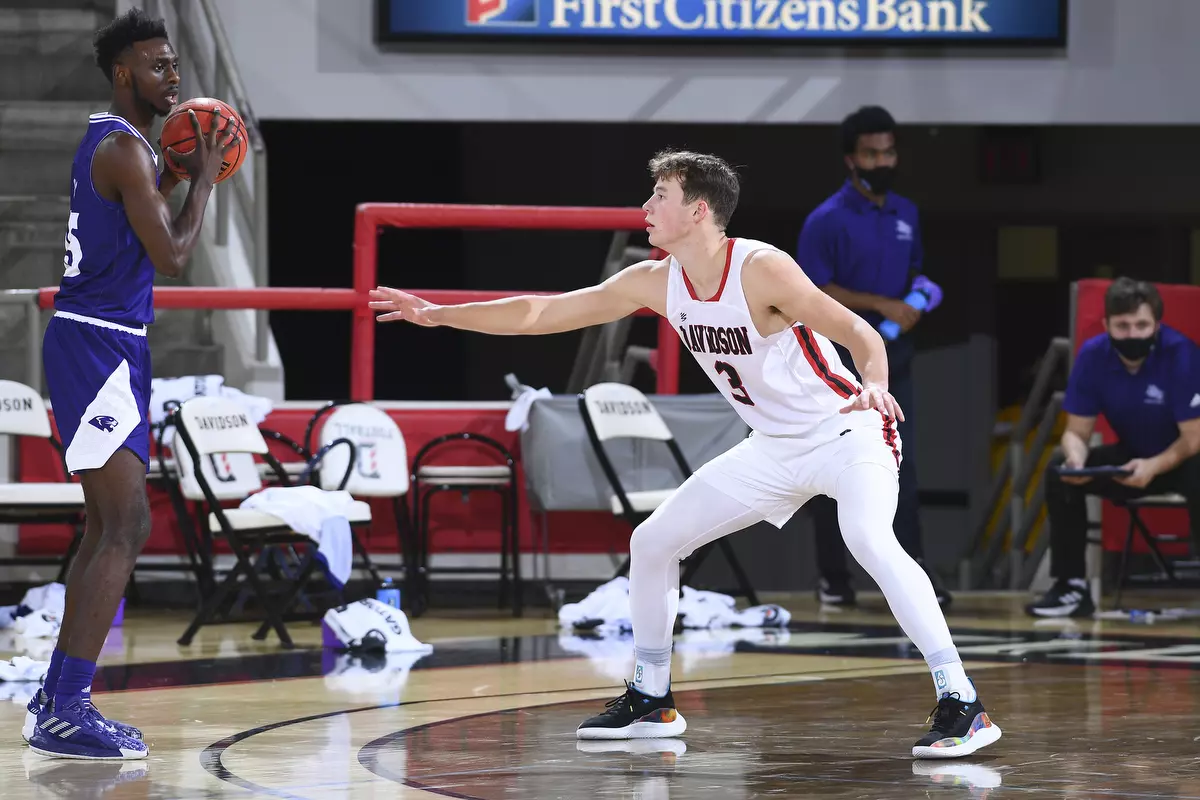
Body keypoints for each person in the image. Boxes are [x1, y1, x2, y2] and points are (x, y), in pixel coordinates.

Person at [370, 149, 1002, 758]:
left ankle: (962, 702)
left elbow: (860, 332)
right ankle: (651, 698)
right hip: (773, 448)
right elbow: (543, 313)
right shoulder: (654, 280)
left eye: (660, 195)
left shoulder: (762, 268)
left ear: (699, 210)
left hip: (846, 429)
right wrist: (441, 315)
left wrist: (877, 385)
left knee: (866, 537)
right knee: (652, 541)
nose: (645, 206)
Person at [24, 8, 236, 760]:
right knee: (127, 528)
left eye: (174, 65)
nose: (171, 77)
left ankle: (55, 698)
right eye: (156, 66)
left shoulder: (125, 146)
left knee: (106, 528)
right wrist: (202, 183)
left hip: (106, 344)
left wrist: (177, 173)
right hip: (98, 346)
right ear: (123, 74)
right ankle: (67, 708)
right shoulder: (122, 149)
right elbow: (175, 255)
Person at [796, 105, 950, 608]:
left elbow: (920, 276)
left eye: (888, 151)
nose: (882, 160)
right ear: (851, 158)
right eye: (871, 153)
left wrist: (915, 301)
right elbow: (812, 290)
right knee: (833, 459)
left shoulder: (907, 213)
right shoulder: (826, 219)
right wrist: (883, 305)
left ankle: (911, 577)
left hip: (894, 355)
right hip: (836, 358)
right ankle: (832, 577)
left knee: (900, 460)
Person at [1026, 278, 1200, 618]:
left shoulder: (1182, 354)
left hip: (1183, 457)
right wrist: (1077, 458)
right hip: (1132, 455)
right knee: (1059, 469)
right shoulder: (1092, 356)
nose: (1133, 334)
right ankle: (1071, 587)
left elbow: (1193, 437)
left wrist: (1153, 466)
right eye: (1123, 326)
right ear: (1107, 325)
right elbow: (1076, 431)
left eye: (1141, 325)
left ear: (1156, 326)